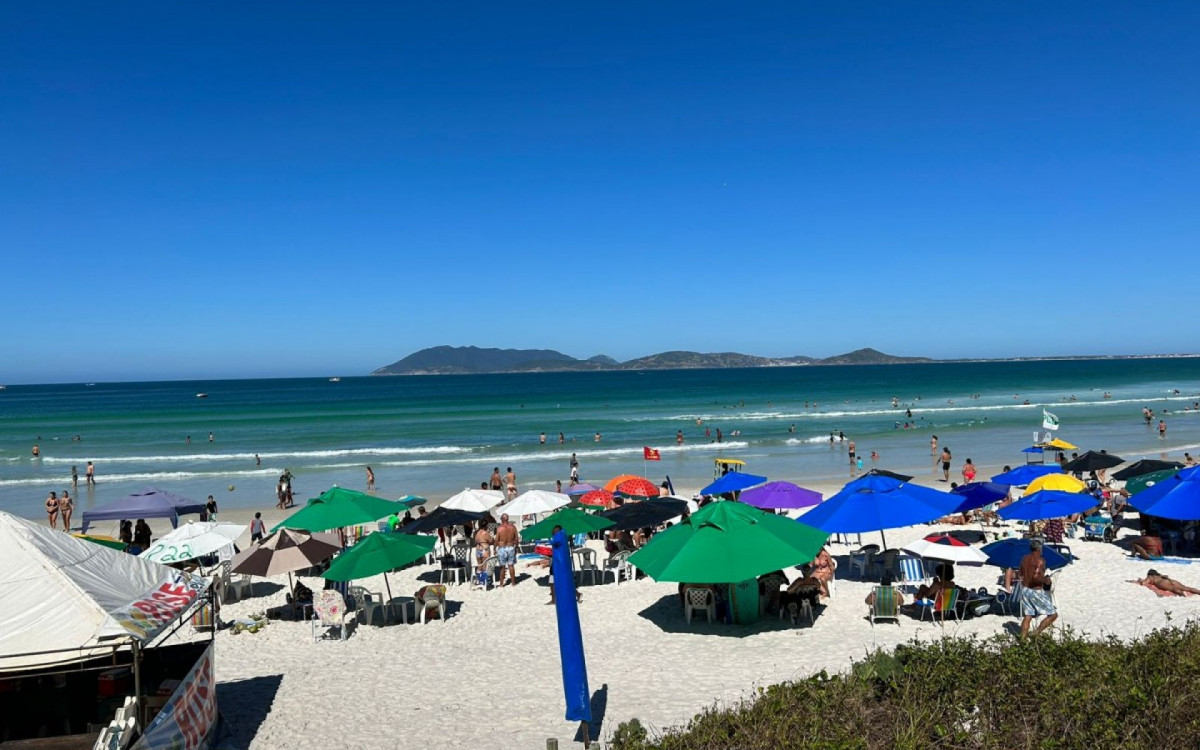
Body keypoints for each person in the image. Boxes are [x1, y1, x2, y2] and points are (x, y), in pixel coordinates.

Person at [1018, 539, 1058, 637]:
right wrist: (1046, 580)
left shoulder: (1024, 558)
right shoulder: (1040, 560)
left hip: (1025, 589)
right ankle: (1035, 633)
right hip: (1035, 590)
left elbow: (1020, 574)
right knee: (1053, 615)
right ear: (1039, 548)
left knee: (1028, 616)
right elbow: (1035, 577)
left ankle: (1022, 639)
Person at [494, 513, 519, 587]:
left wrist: (494, 548)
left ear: (502, 519)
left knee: (502, 567)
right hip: (511, 547)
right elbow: (517, 539)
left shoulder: (500, 528)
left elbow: (496, 539)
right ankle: (513, 583)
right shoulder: (513, 527)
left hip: (502, 548)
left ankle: (501, 584)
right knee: (511, 565)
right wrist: (516, 547)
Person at [1134, 569, 1200, 597]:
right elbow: (1166, 576)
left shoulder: (1150, 577)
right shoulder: (1159, 575)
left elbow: (1143, 583)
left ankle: (1183, 596)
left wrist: (1140, 581)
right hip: (1169, 580)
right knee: (1186, 588)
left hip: (1162, 583)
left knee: (1173, 589)